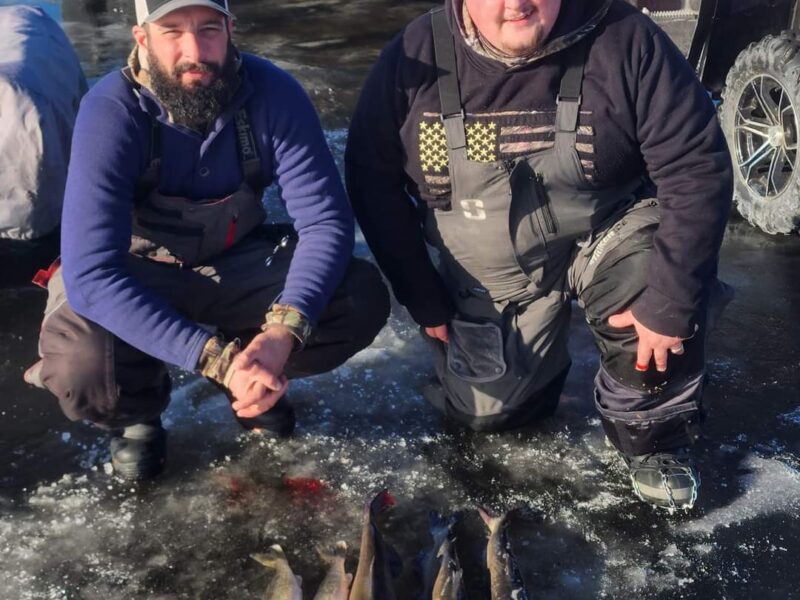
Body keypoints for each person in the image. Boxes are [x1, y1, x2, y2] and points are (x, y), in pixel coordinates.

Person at [345, 0, 733, 511]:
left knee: (654, 295)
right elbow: (372, 181)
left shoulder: (624, 36)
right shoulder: (414, 57)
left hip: (608, 232)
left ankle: (654, 437)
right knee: (488, 419)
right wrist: (422, 294)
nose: (517, 3)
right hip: (491, 271)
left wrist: (671, 299)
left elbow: (696, 166)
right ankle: (526, 371)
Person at [24, 0, 390, 481]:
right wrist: (215, 359)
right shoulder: (110, 111)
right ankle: (138, 413)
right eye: (172, 31)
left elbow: (325, 224)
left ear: (230, 30)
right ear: (142, 39)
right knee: (80, 364)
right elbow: (93, 273)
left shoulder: (273, 93)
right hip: (133, 274)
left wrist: (281, 334)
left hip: (234, 263)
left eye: (209, 29)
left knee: (356, 298)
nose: (194, 50)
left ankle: (256, 378)